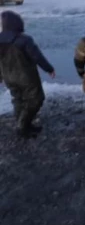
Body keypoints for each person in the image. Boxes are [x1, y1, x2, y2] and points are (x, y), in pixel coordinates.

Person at [0, 10, 55, 138]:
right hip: (26, 77)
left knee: (18, 99)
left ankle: (24, 125)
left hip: (8, 77)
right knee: (37, 99)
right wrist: (49, 69)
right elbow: (37, 57)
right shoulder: (24, 39)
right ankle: (22, 125)